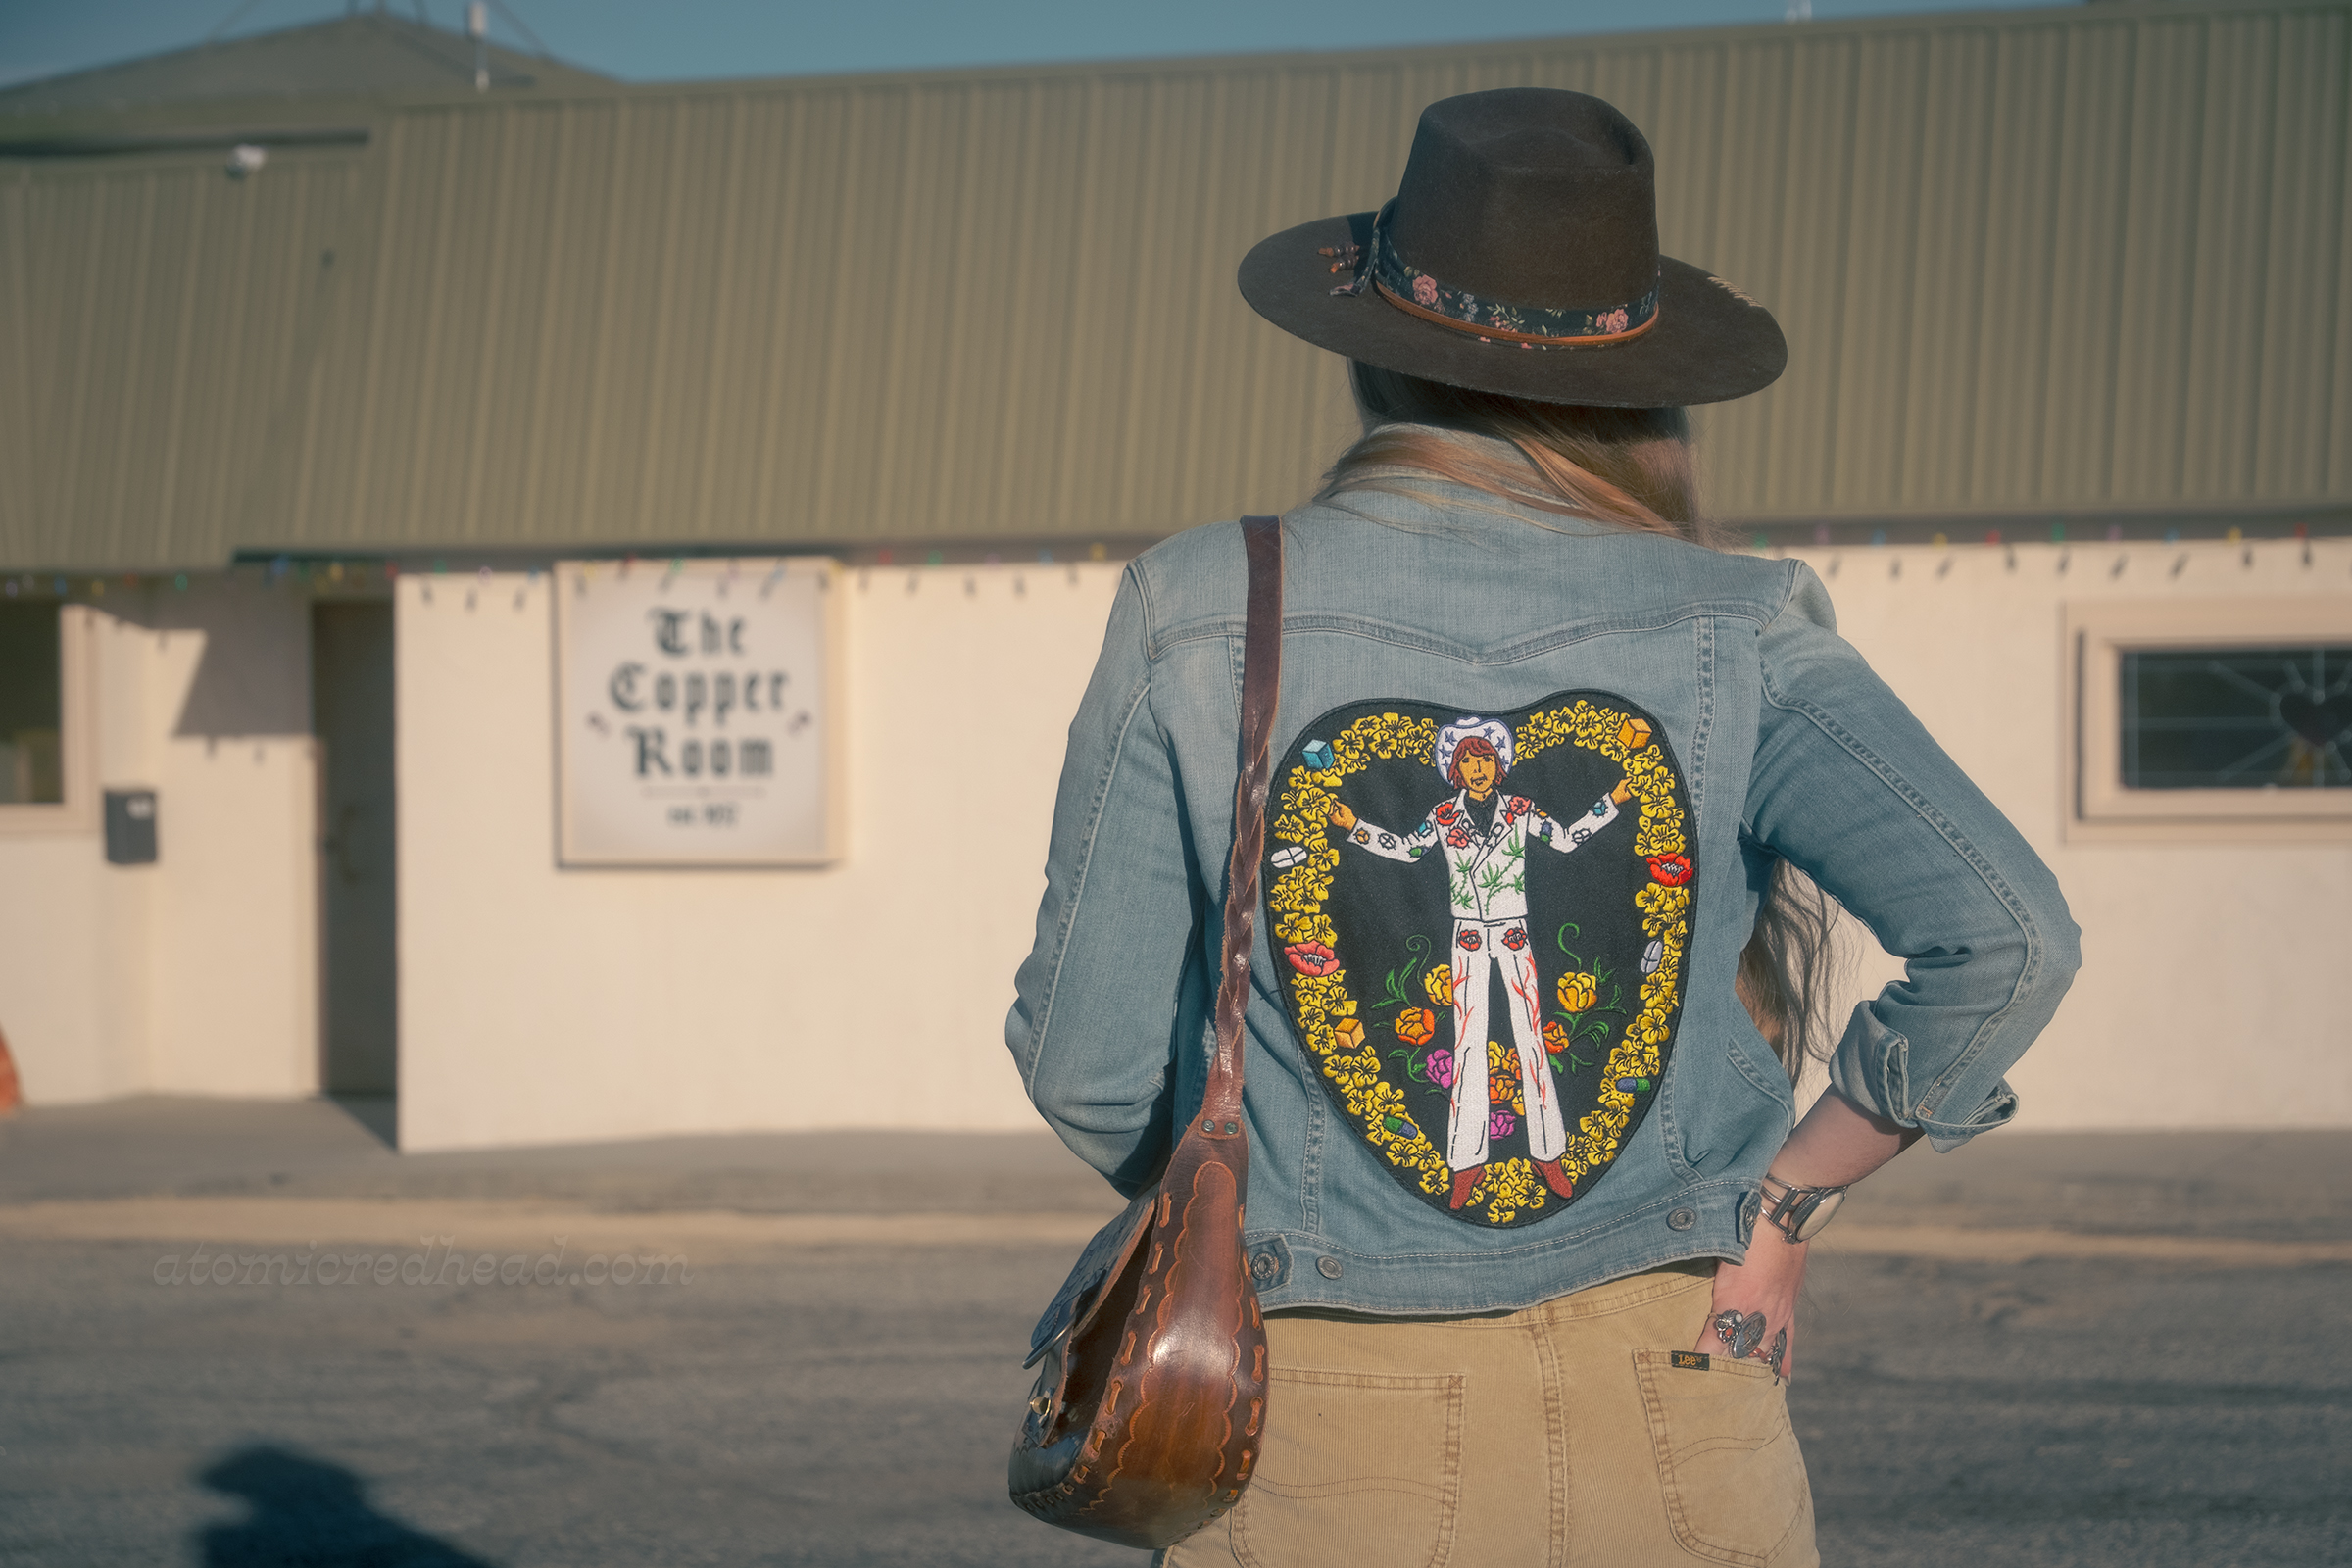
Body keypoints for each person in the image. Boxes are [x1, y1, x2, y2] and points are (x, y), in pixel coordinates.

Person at [1007, 88, 2079, 1568]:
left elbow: (1088, 1065)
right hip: (1683, 1396)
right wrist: (1787, 1209)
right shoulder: (1739, 626)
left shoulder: (1199, 607)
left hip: (1314, 1423)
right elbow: (2011, 937)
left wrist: (1294, 1203)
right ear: (1646, 384)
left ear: (1374, 362)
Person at [1328, 717, 1635, 1209]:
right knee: (1467, 1039)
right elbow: (1408, 851)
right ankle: (1466, 1161)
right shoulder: (1444, 816)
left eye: (1485, 759)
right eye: (1467, 760)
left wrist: (1612, 802)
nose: (1476, 768)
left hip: (1514, 932)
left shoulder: (1519, 809)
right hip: (1467, 935)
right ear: (1453, 768)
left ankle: (1548, 1152)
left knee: (1530, 1035)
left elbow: (1565, 838)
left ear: (1499, 765)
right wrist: (1354, 827)